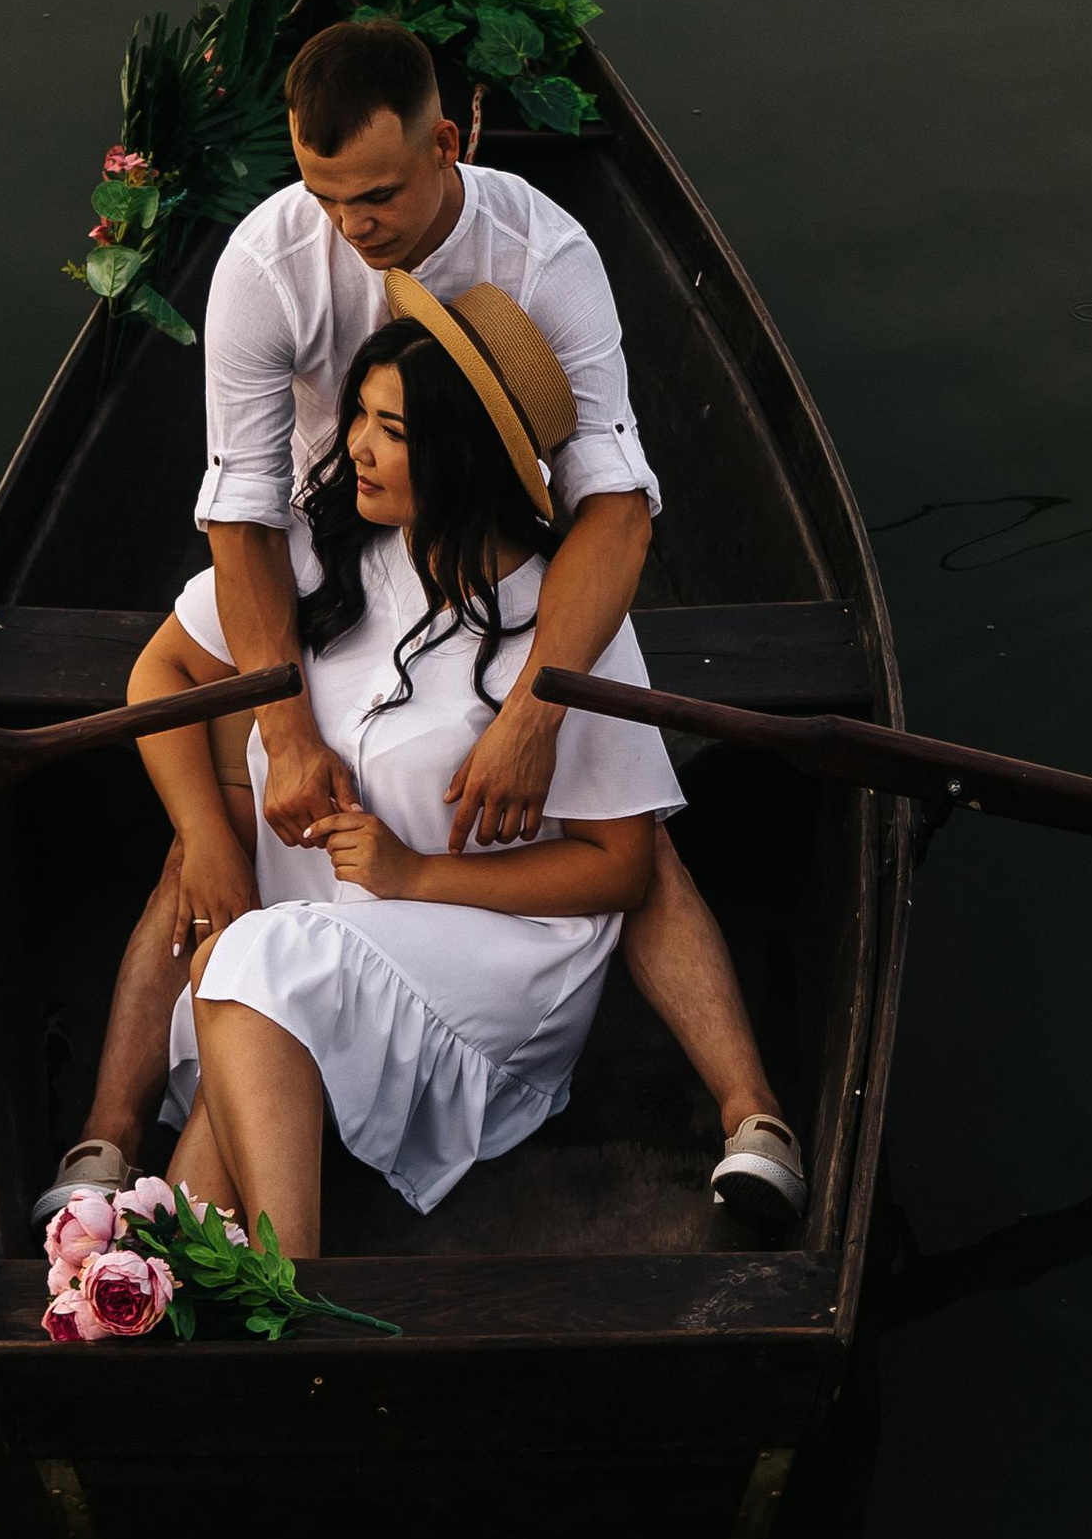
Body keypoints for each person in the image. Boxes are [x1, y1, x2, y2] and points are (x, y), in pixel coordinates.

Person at [38, 14, 807, 1237]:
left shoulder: (542, 255)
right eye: (323, 192)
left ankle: (751, 1111)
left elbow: (614, 501)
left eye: (380, 195)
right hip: (323, 554)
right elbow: (239, 513)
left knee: (629, 838)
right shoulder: (266, 265)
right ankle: (115, 1151)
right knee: (223, 826)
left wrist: (539, 712)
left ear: (451, 140)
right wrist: (281, 735)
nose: (351, 226)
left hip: (495, 534)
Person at [138, 283, 683, 1249]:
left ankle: (284, 1278)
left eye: (392, 429)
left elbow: (623, 866)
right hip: (324, 945)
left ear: (462, 456)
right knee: (249, 962)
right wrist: (202, 837)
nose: (354, 444)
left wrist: (419, 874)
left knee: (257, 957)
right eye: (358, 412)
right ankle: (172, 1266)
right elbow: (165, 668)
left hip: (496, 966)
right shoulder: (329, 548)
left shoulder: (563, 624)